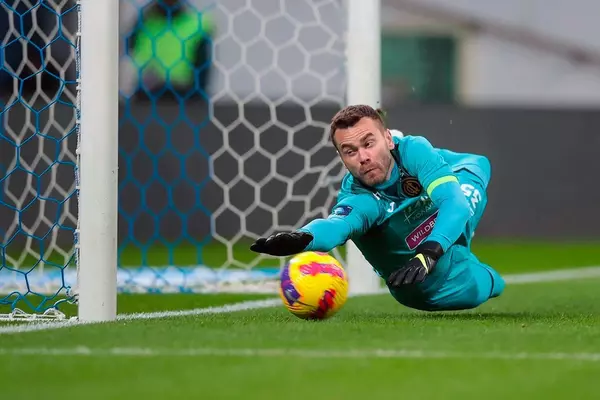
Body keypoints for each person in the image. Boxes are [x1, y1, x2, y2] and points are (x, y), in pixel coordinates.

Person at [250, 104, 505, 311]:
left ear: (388, 139)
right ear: (341, 158)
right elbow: (337, 226)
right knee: (491, 284)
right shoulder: (359, 198)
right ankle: (470, 267)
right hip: (433, 280)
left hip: (441, 225)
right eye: (350, 151)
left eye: (368, 144)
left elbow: (456, 203)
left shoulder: (412, 150)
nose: (363, 158)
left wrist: (429, 252)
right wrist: (303, 238)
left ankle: (448, 235)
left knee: (470, 179)